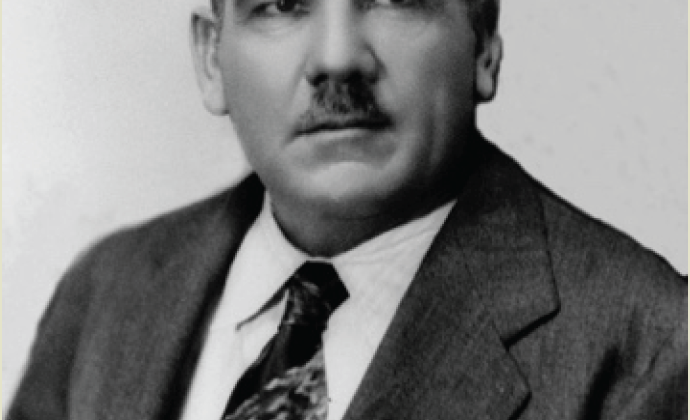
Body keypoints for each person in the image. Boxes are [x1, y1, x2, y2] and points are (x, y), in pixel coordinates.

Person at [7, 0, 686, 419]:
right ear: (211, 59)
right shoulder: (104, 292)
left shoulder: (650, 348)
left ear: (483, 44)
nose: (337, 59)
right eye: (281, 3)